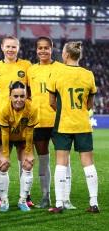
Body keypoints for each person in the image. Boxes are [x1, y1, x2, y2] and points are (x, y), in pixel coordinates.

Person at [47, 41, 99, 213]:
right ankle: (94, 203)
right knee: (88, 163)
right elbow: (90, 105)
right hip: (83, 124)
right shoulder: (88, 74)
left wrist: (65, 111)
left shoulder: (57, 72)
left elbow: (51, 102)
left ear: (66, 55)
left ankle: (60, 204)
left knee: (61, 163)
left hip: (64, 124)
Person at [27, 36, 75, 209]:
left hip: (58, 121)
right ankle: (46, 196)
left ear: (52, 49)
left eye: (46, 48)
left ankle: (66, 199)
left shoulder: (61, 68)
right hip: (38, 121)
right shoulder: (31, 70)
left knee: (64, 160)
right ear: (36, 50)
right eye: (40, 48)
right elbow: (27, 94)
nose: (43, 51)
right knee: (43, 160)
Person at [0, 36, 33, 207]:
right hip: (1, 120)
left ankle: (26, 197)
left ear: (18, 48)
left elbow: (30, 92)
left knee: (26, 161)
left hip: (22, 120)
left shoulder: (26, 66)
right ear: (2, 47)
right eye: (8, 46)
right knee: (2, 160)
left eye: (14, 47)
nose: (10, 50)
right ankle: (1, 197)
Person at [0, 81, 38, 212]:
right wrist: (6, 156)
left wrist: (29, 153)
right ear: (10, 96)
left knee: (28, 163)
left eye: (22, 96)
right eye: (15, 96)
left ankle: (23, 200)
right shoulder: (3, 109)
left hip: (23, 137)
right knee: (2, 164)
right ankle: (4, 201)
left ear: (26, 96)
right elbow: (4, 134)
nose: (19, 99)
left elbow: (30, 132)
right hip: (4, 136)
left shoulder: (32, 109)